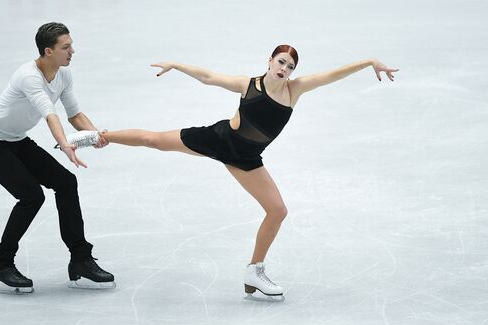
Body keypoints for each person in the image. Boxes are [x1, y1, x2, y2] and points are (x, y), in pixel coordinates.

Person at [84, 45, 398, 297]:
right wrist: (178, 65)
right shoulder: (249, 84)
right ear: (270, 60)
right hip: (220, 139)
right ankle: (98, 136)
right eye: (281, 61)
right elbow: (209, 77)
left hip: (247, 157)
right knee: (154, 140)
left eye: (290, 66)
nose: (284, 69)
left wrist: (369, 61)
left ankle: (254, 271)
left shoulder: (295, 90)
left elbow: (331, 75)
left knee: (277, 211)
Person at [0, 22, 115, 293]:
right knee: (31, 196)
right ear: (48, 51)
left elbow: (74, 114)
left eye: (71, 44)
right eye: (66, 47)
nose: (73, 50)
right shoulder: (28, 76)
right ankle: (1, 263)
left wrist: (94, 135)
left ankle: (81, 259)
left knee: (66, 182)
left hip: (16, 140)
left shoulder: (63, 75)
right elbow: (50, 114)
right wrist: (65, 145)